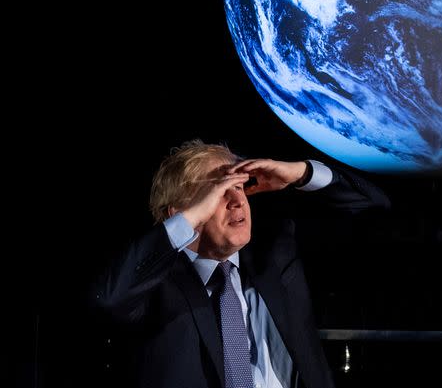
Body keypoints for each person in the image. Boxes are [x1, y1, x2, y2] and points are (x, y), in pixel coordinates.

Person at [92, 139, 390, 388]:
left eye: (240, 187)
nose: (237, 200)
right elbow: (108, 299)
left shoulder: (276, 253)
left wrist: (300, 173)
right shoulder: (155, 285)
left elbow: (374, 207)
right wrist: (186, 220)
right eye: (219, 191)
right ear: (185, 212)